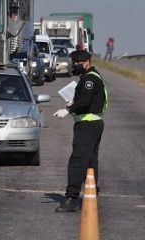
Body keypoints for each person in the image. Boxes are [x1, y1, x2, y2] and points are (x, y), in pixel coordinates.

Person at [53, 50, 108, 213]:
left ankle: (72, 198)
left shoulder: (89, 79)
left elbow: (84, 102)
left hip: (87, 126)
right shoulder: (90, 76)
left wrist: (69, 109)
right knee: (90, 161)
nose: (74, 66)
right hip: (92, 124)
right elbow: (86, 101)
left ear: (85, 62)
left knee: (77, 161)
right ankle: (91, 192)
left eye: (76, 63)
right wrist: (73, 103)